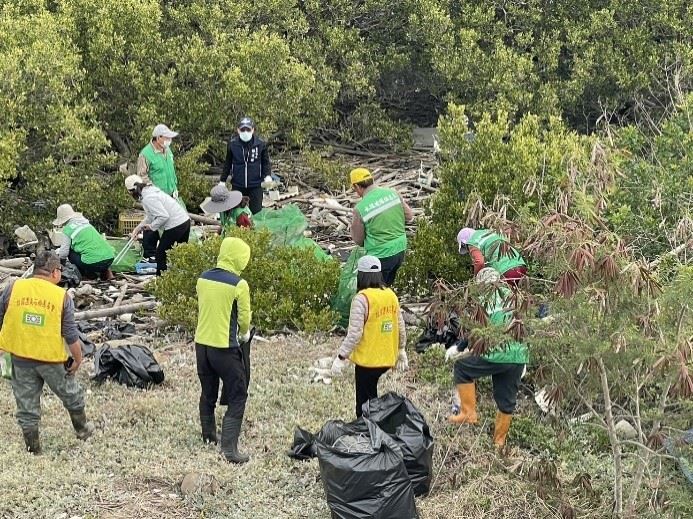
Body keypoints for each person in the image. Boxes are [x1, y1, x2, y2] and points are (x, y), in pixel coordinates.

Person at [0, 251, 95, 454]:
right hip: (51, 360)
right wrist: (78, 360)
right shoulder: (60, 296)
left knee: (26, 406)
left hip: (19, 357)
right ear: (54, 272)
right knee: (72, 395)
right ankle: (83, 430)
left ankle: (33, 449)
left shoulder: (13, 288)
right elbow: (70, 335)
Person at [446, 267, 528, 450]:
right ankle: (499, 443)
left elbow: (477, 327)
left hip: (497, 353)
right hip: (518, 356)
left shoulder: (485, 299)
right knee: (506, 401)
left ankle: (468, 412)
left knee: (462, 367)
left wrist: (458, 347)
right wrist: (524, 359)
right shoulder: (516, 298)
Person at [194, 237, 252, 464]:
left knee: (208, 392)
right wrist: (244, 334)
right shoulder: (239, 284)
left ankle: (208, 435)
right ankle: (229, 449)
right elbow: (244, 319)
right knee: (238, 394)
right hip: (225, 348)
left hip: (202, 346)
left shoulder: (203, 279)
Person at [331, 255, 409, 417]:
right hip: (387, 358)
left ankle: (367, 431)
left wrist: (340, 357)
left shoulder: (361, 299)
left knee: (364, 403)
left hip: (368, 362)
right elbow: (400, 325)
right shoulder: (390, 295)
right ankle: (376, 426)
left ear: (361, 275)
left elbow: (354, 334)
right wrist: (401, 349)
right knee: (373, 396)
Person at [349, 168, 414, 286]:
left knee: (375, 291)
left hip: (380, 255)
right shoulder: (393, 193)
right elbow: (409, 216)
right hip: (400, 249)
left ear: (357, 187)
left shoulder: (360, 208)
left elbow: (358, 240)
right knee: (387, 286)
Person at [125, 175, 190, 275]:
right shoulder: (149, 191)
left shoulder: (148, 197)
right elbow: (150, 216)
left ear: (131, 191)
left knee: (161, 254)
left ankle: (162, 282)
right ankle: (181, 279)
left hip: (176, 224)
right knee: (180, 253)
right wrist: (137, 229)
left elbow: (163, 216)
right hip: (184, 221)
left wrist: (151, 227)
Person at [137, 124, 180, 261]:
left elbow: (171, 171)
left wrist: (175, 187)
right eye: (166, 137)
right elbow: (142, 176)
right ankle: (149, 253)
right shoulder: (145, 154)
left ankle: (171, 250)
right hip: (156, 193)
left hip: (171, 192)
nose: (169, 140)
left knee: (172, 221)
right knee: (154, 220)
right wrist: (152, 190)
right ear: (158, 137)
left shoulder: (167, 150)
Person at [219, 116, 271, 215]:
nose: (245, 132)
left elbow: (265, 162)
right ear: (238, 130)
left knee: (256, 213)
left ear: (253, 130)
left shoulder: (260, 144)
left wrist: (267, 176)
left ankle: (255, 230)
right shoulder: (232, 144)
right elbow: (228, 163)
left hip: (255, 185)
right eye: (243, 129)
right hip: (238, 185)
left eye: (248, 129)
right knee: (237, 214)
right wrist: (222, 181)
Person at [53, 204, 116, 281]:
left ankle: (85, 275)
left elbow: (63, 253)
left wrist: (61, 266)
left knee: (71, 252)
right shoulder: (85, 223)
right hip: (109, 258)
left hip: (94, 263)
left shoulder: (68, 229)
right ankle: (106, 272)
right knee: (96, 252)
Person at [456, 227, 527, 286]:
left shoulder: (472, 241)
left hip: (505, 271)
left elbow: (479, 262)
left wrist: (476, 281)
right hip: (520, 265)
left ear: (464, 243)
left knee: (502, 299)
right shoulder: (489, 232)